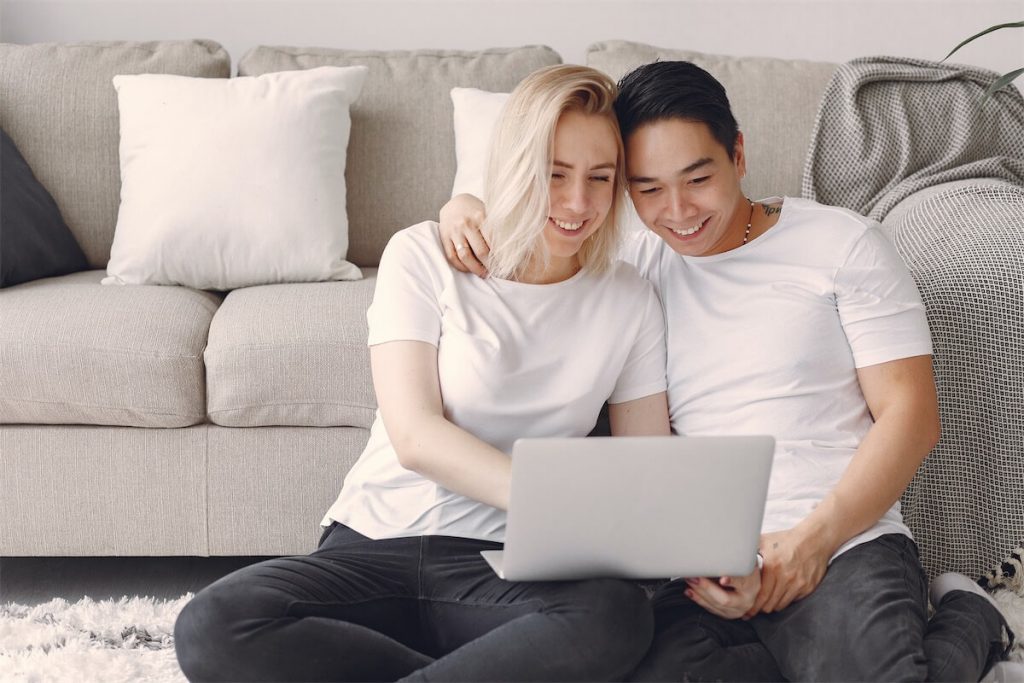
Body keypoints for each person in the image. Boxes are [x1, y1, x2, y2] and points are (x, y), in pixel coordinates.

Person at [439, 60, 1014, 682]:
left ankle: (971, 613)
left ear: (737, 154)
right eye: (648, 188)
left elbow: (911, 416)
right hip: (706, 560)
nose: (678, 211)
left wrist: (809, 545)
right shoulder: (632, 271)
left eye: (698, 177)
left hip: (840, 542)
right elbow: (530, 236)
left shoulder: (844, 245)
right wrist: (462, 205)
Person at [173, 64, 673, 682]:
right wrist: (561, 503)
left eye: (601, 178)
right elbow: (415, 437)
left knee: (616, 616)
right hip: (376, 542)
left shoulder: (629, 298)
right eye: (554, 174)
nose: (578, 203)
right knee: (214, 623)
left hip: (508, 567)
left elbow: (651, 465)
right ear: (515, 168)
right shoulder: (425, 254)